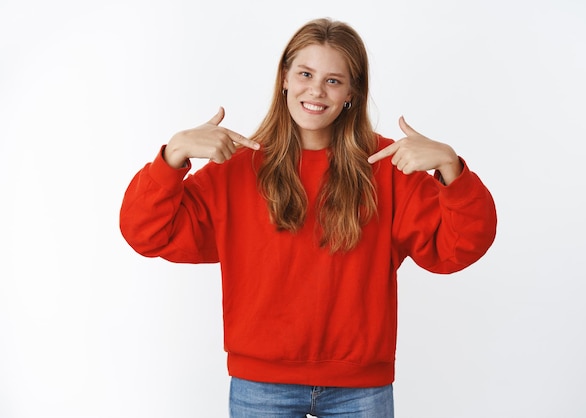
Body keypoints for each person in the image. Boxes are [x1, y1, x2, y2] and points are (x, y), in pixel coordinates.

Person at [120, 17, 497, 418]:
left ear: (353, 91)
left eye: (334, 80)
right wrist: (172, 157)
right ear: (284, 77)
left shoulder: (386, 167)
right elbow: (147, 232)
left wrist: (452, 170)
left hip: (360, 387)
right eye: (305, 73)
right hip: (261, 384)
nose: (316, 89)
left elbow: (458, 248)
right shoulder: (237, 168)